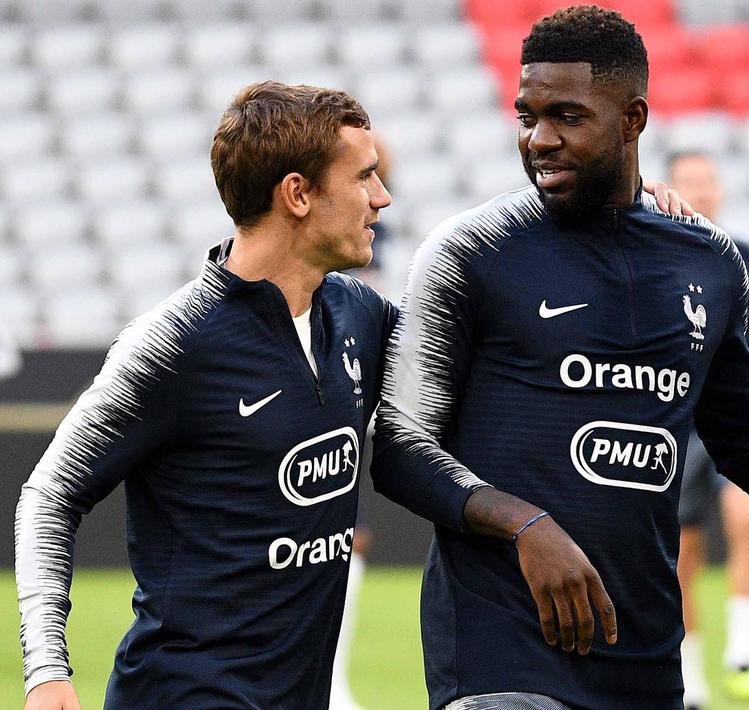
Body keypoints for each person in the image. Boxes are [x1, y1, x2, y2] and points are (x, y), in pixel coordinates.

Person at [14, 81, 629, 710]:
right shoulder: (173, 343)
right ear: (298, 194)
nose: (382, 197)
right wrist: (47, 670)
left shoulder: (357, 312)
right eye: (364, 177)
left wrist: (627, 213)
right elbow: (50, 497)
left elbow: (477, 372)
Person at [371, 7, 749, 710]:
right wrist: (523, 524)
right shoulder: (470, 251)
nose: (539, 138)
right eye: (527, 116)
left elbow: (748, 444)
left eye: (567, 116)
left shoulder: (709, 261)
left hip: (645, 661)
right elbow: (399, 445)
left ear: (632, 118)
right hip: (504, 660)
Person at [668, 150, 749, 707]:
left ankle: (742, 656)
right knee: (681, 549)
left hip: (744, 414)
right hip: (679, 422)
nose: (701, 190)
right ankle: (689, 677)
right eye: (689, 181)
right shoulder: (655, 248)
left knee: (748, 518)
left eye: (708, 180)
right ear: (668, 187)